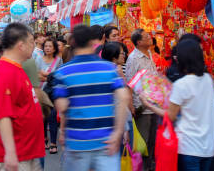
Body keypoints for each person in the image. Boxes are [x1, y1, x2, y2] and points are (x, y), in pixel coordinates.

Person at [53, 25, 129, 171]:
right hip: (106, 142)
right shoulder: (110, 68)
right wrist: (118, 132)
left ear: (73, 42)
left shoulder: (63, 72)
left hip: (77, 142)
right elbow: (124, 97)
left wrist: (62, 131)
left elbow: (62, 107)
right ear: (92, 41)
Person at [140, 39, 214, 171]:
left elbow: (170, 116)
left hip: (189, 146)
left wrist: (149, 105)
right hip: (208, 147)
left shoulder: (182, 85)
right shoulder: (208, 80)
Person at [0, 23, 44, 171]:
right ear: (21, 45)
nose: (34, 45)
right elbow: (3, 115)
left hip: (26, 151)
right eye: (32, 42)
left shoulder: (16, 68)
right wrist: (10, 153)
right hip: (16, 156)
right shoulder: (6, 72)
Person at [125, 29, 157, 171]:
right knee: (142, 143)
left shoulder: (149, 54)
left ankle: (149, 167)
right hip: (142, 107)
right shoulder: (133, 59)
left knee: (151, 142)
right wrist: (131, 106)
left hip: (153, 105)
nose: (150, 38)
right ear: (139, 42)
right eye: (146, 37)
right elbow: (130, 83)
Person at [35, 38, 62, 154]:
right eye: (46, 46)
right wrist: (50, 76)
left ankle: (53, 143)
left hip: (53, 92)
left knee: (52, 116)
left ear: (54, 48)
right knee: (42, 117)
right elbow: (36, 76)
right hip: (41, 92)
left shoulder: (58, 60)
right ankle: (44, 138)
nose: (47, 48)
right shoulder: (38, 59)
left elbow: (59, 76)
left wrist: (44, 75)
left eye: (50, 46)